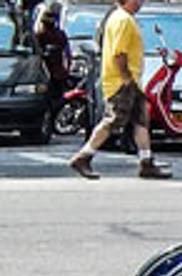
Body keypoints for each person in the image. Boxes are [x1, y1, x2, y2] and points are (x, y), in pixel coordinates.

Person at [68, 0, 167, 179]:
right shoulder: (123, 20)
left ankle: (146, 161)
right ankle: (83, 156)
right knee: (113, 120)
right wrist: (126, 76)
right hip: (122, 81)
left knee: (141, 121)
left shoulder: (123, 18)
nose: (140, 3)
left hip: (132, 81)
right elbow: (119, 52)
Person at [33, 2, 71, 104]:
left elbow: (67, 54)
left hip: (57, 73)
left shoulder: (58, 35)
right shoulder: (39, 36)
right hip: (46, 73)